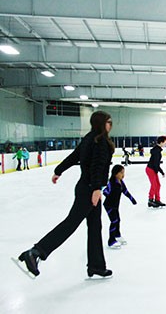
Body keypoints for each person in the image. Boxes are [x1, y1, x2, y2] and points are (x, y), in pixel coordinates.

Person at [16, 111, 115, 278]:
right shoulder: (100, 141)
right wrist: (97, 188)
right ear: (100, 123)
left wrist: (58, 171)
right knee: (71, 223)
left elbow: (73, 157)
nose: (110, 125)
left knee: (95, 227)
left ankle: (96, 266)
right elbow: (97, 166)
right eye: (108, 122)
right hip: (90, 190)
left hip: (86, 187)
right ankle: (36, 252)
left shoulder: (89, 138)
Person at [103, 165, 137, 249]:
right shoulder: (112, 182)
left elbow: (125, 191)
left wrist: (132, 199)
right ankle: (111, 241)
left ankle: (117, 235)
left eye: (123, 172)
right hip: (109, 205)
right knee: (114, 221)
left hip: (115, 205)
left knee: (118, 220)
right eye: (121, 172)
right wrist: (105, 189)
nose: (123, 174)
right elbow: (105, 192)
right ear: (115, 173)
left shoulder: (121, 182)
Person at [146, 136, 166, 208]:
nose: (165, 144)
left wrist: (159, 171)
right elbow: (156, 164)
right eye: (165, 143)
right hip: (150, 169)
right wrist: (161, 172)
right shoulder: (157, 151)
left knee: (158, 185)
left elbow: (156, 164)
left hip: (153, 169)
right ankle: (150, 200)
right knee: (154, 185)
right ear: (161, 142)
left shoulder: (157, 150)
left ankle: (157, 200)